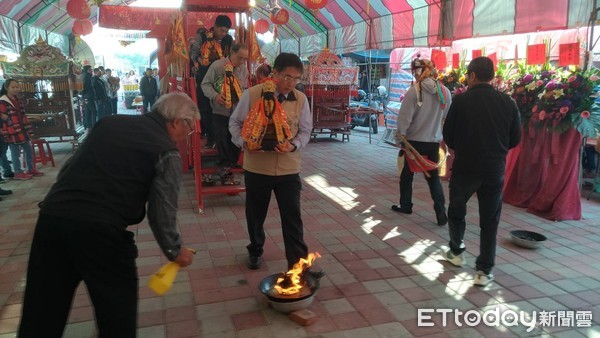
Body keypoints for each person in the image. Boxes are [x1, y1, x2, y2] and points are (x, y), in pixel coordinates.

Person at [18, 92, 198, 337]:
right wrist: (175, 251)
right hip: (101, 233)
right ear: (177, 121)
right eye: (189, 129)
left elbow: (69, 169)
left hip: (52, 219)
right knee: (116, 316)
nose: (186, 137)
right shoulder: (166, 152)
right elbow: (162, 210)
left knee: (41, 312)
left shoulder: (109, 122)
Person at [442, 56, 521, 286]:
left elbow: (449, 137)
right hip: (494, 170)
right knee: (490, 220)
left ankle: (456, 253)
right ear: (493, 76)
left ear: (473, 76)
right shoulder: (509, 103)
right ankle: (484, 271)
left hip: (466, 167)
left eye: (467, 75)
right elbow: (515, 139)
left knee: (457, 210)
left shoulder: (461, 101)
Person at [230, 52, 312, 270]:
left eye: (296, 78)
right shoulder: (253, 94)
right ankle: (256, 249)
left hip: (288, 169)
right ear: (274, 73)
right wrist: (245, 143)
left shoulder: (301, 99)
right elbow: (234, 123)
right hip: (257, 168)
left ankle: (297, 263)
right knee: (255, 216)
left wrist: (293, 145)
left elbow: (306, 131)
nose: (290, 83)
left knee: (293, 218)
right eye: (286, 77)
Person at [392, 58, 451, 226]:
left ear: (417, 72)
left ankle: (406, 205)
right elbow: (444, 116)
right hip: (433, 142)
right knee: (433, 179)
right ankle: (441, 213)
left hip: (412, 142)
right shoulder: (445, 92)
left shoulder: (414, 91)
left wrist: (399, 138)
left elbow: (404, 120)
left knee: (406, 175)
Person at [201, 43, 249, 184]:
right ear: (231, 52)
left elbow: (244, 88)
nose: (241, 62)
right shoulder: (217, 66)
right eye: (240, 58)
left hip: (236, 110)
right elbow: (205, 84)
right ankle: (225, 168)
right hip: (219, 109)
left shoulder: (243, 70)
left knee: (235, 138)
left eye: (244, 59)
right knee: (221, 136)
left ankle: (227, 167)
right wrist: (215, 96)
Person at [190, 15, 233, 148]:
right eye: (221, 30)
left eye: (226, 31)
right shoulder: (202, 37)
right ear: (214, 26)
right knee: (205, 108)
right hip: (205, 78)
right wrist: (199, 60)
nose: (223, 34)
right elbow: (193, 54)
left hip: (222, 79)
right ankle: (210, 137)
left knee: (222, 109)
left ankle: (222, 139)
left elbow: (231, 56)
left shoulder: (229, 40)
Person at [0, 78, 44, 180]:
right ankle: (18, 172)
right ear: (7, 88)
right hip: (11, 131)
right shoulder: (3, 102)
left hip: (22, 129)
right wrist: (5, 131)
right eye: (13, 87)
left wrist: (29, 130)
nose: (16, 89)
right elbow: (2, 118)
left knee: (29, 150)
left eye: (17, 87)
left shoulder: (18, 100)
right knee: (15, 153)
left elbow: (23, 116)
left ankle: (30, 169)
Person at [81, 65, 97, 131]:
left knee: (88, 112)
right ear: (88, 70)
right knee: (93, 111)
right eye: (90, 69)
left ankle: (88, 127)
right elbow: (84, 88)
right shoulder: (87, 77)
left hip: (86, 97)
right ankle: (93, 126)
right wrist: (85, 95)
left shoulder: (84, 76)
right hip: (88, 97)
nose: (91, 70)